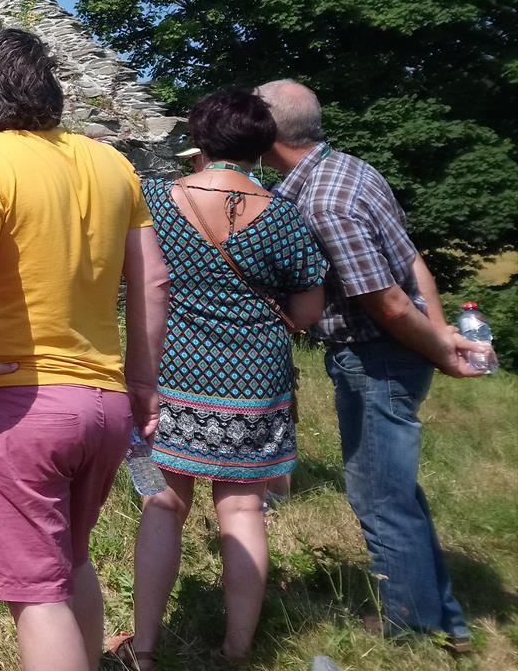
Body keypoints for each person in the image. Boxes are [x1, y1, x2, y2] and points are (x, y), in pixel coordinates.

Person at [0, 29, 169, 671]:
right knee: (70, 563)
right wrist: (142, 383)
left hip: (21, 404)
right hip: (105, 402)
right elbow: (153, 277)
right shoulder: (112, 162)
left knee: (36, 595)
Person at [256, 79, 487, 652]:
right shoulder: (351, 170)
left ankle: (409, 627)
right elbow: (413, 260)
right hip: (394, 353)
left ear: (268, 131)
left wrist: (439, 349)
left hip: (375, 358)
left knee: (378, 495)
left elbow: (384, 300)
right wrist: (440, 335)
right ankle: (448, 619)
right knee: (396, 489)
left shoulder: (322, 202)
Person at [129, 89, 328, 666]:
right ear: (262, 145)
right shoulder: (283, 214)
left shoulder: (157, 203)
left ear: (201, 138)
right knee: (242, 512)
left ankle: (143, 650)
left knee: (163, 505)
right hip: (255, 381)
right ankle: (237, 649)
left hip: (172, 372)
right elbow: (309, 312)